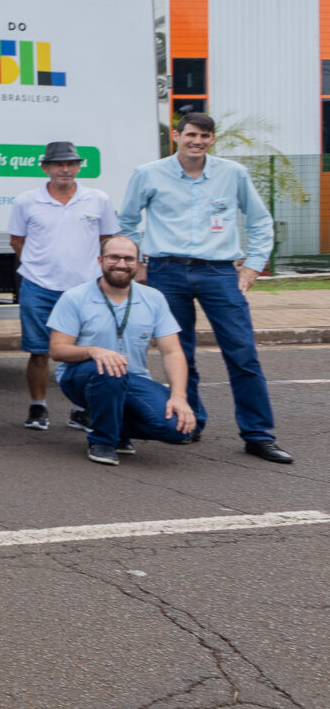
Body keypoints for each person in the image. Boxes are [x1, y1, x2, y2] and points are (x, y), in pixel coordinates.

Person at [120, 111, 289, 462]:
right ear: (177, 136)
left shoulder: (233, 174)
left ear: (212, 139)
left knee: (242, 353)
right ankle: (190, 422)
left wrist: (253, 266)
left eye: (204, 136)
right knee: (179, 352)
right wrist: (137, 263)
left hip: (219, 273)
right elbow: (128, 221)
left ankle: (258, 435)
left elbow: (260, 221)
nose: (197, 141)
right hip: (166, 272)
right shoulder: (148, 174)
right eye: (191, 134)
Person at [48, 237, 198, 466]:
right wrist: (94, 351)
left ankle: (112, 424)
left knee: (179, 428)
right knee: (109, 369)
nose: (121, 264)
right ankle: (103, 441)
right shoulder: (75, 297)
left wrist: (179, 396)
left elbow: (172, 352)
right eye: (114, 257)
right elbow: (57, 350)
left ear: (138, 263)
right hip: (82, 377)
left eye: (128, 259)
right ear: (100, 260)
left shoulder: (153, 298)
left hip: (133, 378)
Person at [8, 141, 120, 430]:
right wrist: (40, 268)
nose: (65, 169)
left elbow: (106, 239)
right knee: (39, 351)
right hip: (39, 287)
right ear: (45, 167)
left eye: (71, 164)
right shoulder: (26, 201)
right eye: (58, 164)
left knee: (84, 350)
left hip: (85, 289)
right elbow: (17, 241)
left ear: (79, 167)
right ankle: (38, 407)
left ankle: (80, 409)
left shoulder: (98, 199)